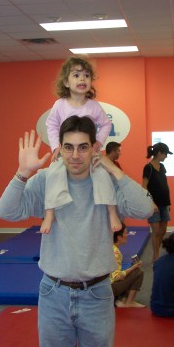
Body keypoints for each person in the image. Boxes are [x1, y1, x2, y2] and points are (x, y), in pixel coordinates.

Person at [0, 115, 154, 347]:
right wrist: (22, 173)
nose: (75, 155)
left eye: (83, 147)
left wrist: (112, 168)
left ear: (94, 148)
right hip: (53, 294)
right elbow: (7, 212)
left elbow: (145, 209)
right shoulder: (46, 180)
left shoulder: (107, 183)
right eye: (68, 147)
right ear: (60, 148)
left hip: (97, 294)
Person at [42, 56, 121, 234]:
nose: (82, 79)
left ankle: (112, 211)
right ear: (66, 82)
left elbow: (106, 124)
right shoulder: (60, 105)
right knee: (53, 175)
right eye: (76, 75)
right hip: (66, 152)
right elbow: (52, 125)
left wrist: (97, 143)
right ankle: (49, 213)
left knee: (102, 175)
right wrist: (56, 147)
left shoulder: (93, 106)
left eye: (86, 75)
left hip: (88, 153)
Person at [142, 142, 172, 262]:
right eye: (165, 154)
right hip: (153, 204)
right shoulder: (148, 168)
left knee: (163, 231)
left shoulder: (162, 167)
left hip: (164, 203)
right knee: (156, 231)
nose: (166, 157)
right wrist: (151, 202)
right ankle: (156, 257)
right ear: (159, 153)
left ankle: (157, 253)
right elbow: (143, 187)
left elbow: (164, 184)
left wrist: (168, 203)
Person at [111, 222, 145, 308]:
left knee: (129, 271)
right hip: (110, 287)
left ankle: (122, 300)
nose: (127, 235)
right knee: (137, 272)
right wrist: (133, 267)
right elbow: (117, 277)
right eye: (125, 233)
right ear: (119, 237)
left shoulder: (109, 247)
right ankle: (129, 302)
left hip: (104, 285)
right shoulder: (116, 252)